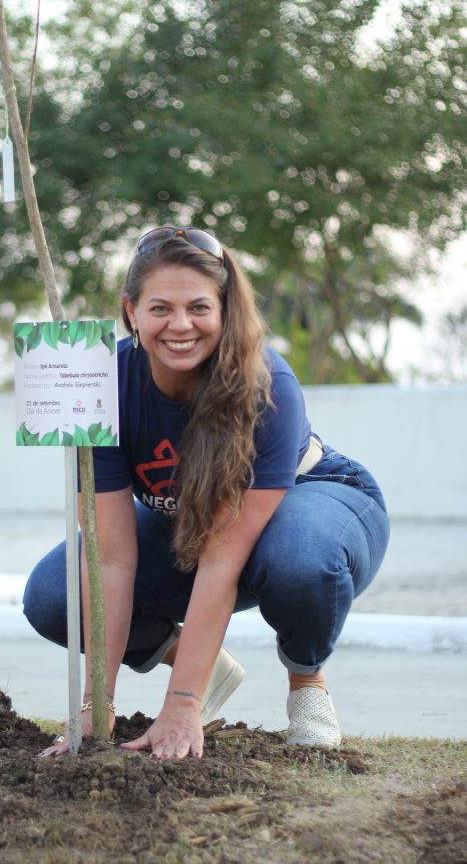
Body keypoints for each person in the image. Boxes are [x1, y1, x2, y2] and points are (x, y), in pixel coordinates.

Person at [23, 226, 390, 760]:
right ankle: (195, 658)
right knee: (59, 594)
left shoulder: (266, 384)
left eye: (198, 307)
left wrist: (182, 702)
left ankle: (307, 682)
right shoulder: (95, 383)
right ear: (130, 312)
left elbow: (221, 560)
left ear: (224, 311)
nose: (180, 325)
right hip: (188, 520)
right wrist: (92, 709)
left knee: (300, 561)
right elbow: (111, 562)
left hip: (315, 495)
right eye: (159, 308)